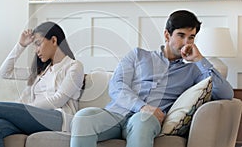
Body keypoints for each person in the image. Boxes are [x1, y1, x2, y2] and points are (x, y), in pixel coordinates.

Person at [70, 10, 234, 147]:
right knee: (83, 117)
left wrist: (200, 59)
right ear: (167, 35)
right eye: (181, 35)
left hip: (145, 121)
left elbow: (226, 93)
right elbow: (117, 86)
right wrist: (141, 106)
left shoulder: (193, 70)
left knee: (143, 119)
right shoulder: (138, 55)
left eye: (191, 37)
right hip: (116, 115)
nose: (186, 42)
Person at [0, 21, 84, 147]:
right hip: (34, 117)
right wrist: (21, 45)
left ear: (54, 41)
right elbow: (4, 73)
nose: (36, 51)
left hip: (59, 119)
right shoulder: (40, 71)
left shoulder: (74, 66)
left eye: (38, 44)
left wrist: (28, 109)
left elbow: (58, 100)